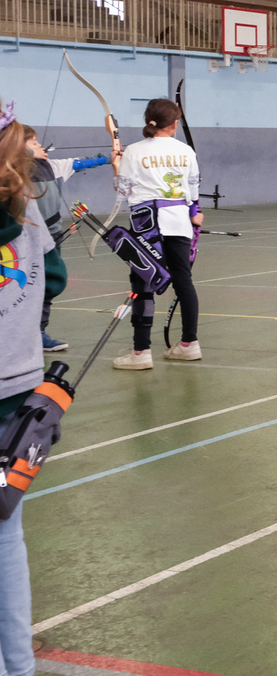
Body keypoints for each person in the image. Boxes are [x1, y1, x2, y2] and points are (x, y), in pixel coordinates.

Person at [0, 98, 65, 676]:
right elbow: (56, 276)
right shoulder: (25, 203)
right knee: (6, 535)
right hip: (19, 392)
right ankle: (19, 666)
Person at [111, 99, 203, 370]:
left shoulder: (134, 151)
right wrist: (194, 212)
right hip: (178, 222)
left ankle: (141, 352)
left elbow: (122, 191)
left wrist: (117, 165)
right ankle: (189, 344)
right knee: (183, 281)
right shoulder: (185, 150)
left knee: (143, 283)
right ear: (174, 124)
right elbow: (193, 188)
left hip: (146, 225)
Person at [22, 126, 114, 353]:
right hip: (23, 238)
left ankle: (38, 334)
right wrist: (26, 154)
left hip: (51, 236)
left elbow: (82, 163)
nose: (40, 146)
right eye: (33, 143)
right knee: (20, 286)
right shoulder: (10, 169)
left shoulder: (53, 166)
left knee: (48, 284)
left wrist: (112, 157)